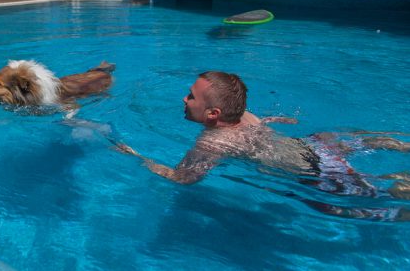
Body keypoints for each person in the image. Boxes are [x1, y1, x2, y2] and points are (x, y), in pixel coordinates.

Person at [117, 71, 410, 199]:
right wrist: (274, 119)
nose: (184, 100)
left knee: (383, 194)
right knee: (363, 141)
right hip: (312, 145)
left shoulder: (212, 142)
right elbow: (253, 119)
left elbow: (182, 179)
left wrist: (136, 158)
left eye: (191, 97)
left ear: (213, 115)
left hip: (314, 172)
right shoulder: (244, 114)